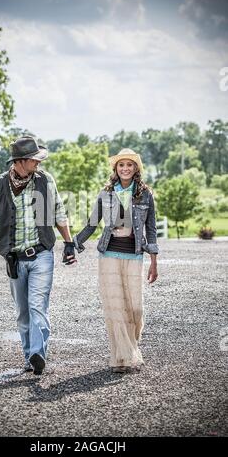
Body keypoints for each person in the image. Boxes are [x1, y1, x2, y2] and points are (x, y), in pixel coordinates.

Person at [0, 135, 76, 375]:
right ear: (20, 161)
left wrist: (69, 242)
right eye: (35, 160)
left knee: (37, 306)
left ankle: (38, 352)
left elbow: (58, 211)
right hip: (14, 258)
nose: (39, 164)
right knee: (23, 312)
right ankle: (29, 358)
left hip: (41, 254)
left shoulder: (45, 180)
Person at [73, 148, 158, 374]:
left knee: (136, 308)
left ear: (136, 168)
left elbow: (151, 229)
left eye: (129, 165)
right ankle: (122, 357)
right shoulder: (106, 193)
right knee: (116, 309)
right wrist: (75, 242)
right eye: (121, 165)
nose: (125, 168)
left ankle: (130, 345)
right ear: (115, 168)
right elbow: (92, 224)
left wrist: (154, 261)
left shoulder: (145, 194)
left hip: (135, 255)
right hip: (109, 255)